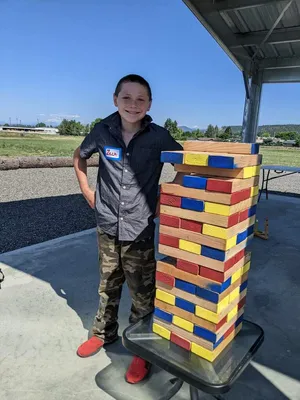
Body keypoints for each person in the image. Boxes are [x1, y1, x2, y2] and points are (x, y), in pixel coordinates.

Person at [73, 74, 183, 384]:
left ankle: (140, 348)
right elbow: (79, 157)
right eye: (126, 98)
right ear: (115, 99)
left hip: (140, 229)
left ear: (149, 104)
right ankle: (102, 333)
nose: (133, 104)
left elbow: (185, 166)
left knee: (142, 292)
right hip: (107, 223)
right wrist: (86, 190)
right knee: (108, 283)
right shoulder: (101, 131)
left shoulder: (160, 137)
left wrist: (165, 198)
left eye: (140, 99)